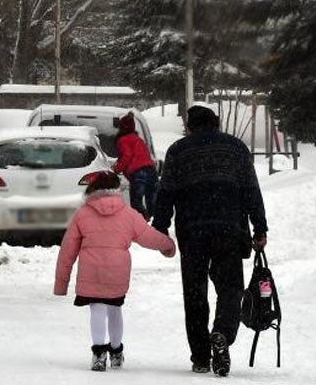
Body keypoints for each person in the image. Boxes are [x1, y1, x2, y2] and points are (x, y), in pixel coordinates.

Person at [152, 105, 268, 377]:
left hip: (192, 231)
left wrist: (160, 227)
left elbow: (166, 192)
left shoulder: (178, 151)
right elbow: (252, 189)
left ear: (190, 126)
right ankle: (222, 333)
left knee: (194, 293)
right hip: (229, 229)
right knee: (230, 287)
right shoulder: (236, 148)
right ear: (216, 123)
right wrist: (259, 227)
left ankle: (201, 357)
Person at [54, 171, 176, 372]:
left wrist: (61, 283)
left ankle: (99, 354)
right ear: (116, 189)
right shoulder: (128, 213)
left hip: (91, 270)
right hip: (117, 271)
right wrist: (167, 245)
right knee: (114, 309)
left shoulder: (82, 213)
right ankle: (117, 353)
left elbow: (67, 249)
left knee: (97, 309)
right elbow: (148, 236)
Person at [112, 113, 158, 220]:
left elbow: (126, 156)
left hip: (138, 172)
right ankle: (154, 222)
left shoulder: (122, 140)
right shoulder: (138, 138)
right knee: (152, 201)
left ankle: (143, 220)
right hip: (151, 170)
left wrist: (116, 169)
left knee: (136, 203)